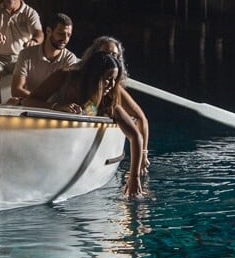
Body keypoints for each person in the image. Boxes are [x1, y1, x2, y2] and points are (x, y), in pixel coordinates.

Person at [24, 50, 146, 197]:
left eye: (115, 80)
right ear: (94, 76)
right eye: (107, 79)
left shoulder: (107, 104)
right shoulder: (64, 77)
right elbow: (29, 101)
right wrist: (57, 107)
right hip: (44, 141)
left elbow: (135, 136)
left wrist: (134, 178)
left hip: (69, 154)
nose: (112, 85)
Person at [81, 35, 151, 173]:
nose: (111, 58)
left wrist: (143, 155)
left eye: (114, 55)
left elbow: (141, 118)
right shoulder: (77, 78)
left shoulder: (113, 88)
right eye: (106, 53)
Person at [9, 13, 77, 102]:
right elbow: (16, 90)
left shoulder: (70, 59)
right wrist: (43, 103)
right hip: (31, 105)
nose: (65, 39)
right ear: (49, 31)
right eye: (61, 33)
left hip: (55, 109)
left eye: (69, 35)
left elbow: (72, 94)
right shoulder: (26, 54)